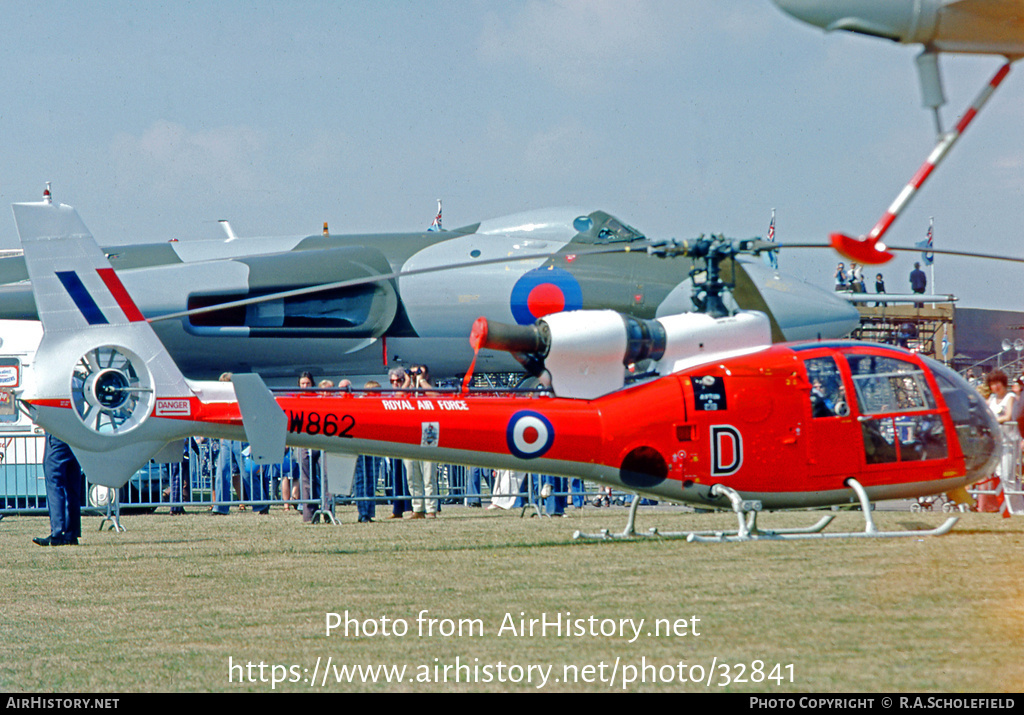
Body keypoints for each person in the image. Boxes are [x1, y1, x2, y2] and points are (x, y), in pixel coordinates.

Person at [33, 434, 85, 546]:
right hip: (75, 437)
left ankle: (57, 533)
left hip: (57, 435)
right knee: (72, 488)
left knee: (54, 483)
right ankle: (71, 534)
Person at [403, 364, 439, 518]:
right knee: (412, 474)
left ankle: (431, 508)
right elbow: (398, 397)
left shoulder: (428, 388)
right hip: (410, 433)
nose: (416, 375)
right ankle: (417, 508)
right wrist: (407, 381)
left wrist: (421, 381)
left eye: (420, 372)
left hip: (428, 432)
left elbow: (436, 397)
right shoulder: (409, 390)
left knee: (428, 474)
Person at [986, 370, 1019, 486]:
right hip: (996, 443)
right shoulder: (992, 399)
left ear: (1003, 383)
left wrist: (992, 421)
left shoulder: (1010, 397)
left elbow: (1008, 416)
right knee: (997, 475)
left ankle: (1015, 504)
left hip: (1010, 443)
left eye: (997, 383)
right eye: (992, 384)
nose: (995, 386)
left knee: (1007, 477)